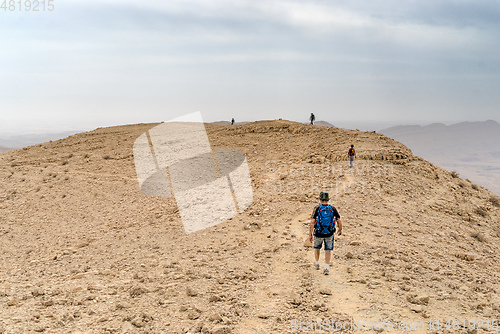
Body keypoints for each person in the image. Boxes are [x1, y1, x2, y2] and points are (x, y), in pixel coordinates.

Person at [309, 192, 342, 275]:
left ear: (320, 199)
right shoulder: (332, 208)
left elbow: (312, 222)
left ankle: (317, 262)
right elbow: (339, 220)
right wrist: (340, 230)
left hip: (318, 233)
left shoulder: (317, 208)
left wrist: (310, 234)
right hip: (329, 233)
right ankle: (326, 267)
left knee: (317, 248)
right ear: (328, 200)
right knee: (328, 250)